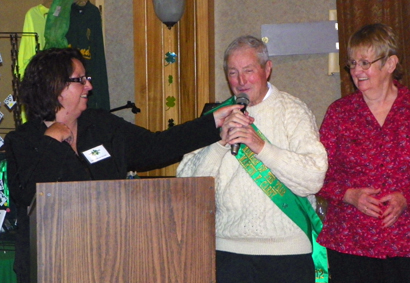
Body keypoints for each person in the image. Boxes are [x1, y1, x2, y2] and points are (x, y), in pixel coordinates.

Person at [5, 47, 251, 283]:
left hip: (111, 263)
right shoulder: (24, 141)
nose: (89, 86)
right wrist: (51, 141)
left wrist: (212, 122)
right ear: (55, 86)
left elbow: (157, 146)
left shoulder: (102, 127)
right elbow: (26, 194)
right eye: (80, 79)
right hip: (53, 266)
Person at [177, 35, 328, 283]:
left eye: (248, 71)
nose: (241, 81)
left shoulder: (293, 110)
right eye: (233, 73)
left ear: (267, 69)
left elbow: (313, 178)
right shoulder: (215, 117)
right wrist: (218, 143)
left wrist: (261, 147)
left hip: (287, 252)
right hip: (228, 251)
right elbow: (186, 185)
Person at [317, 23, 410, 283]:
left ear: (390, 64)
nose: (357, 71)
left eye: (365, 63)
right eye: (352, 63)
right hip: (350, 241)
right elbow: (316, 172)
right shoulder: (339, 113)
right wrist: (349, 195)